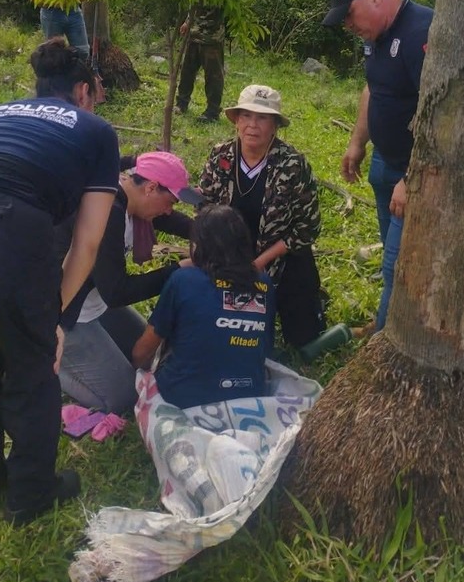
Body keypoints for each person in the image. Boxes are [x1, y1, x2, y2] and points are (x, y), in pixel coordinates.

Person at [0, 38, 119, 525]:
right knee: (34, 371)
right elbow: (87, 243)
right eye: (96, 93)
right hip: (7, 230)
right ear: (82, 90)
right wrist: (51, 316)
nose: (96, 102)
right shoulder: (97, 131)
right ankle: (29, 496)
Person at [323, 0, 464, 335]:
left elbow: (445, 116)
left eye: (349, 14)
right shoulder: (375, 36)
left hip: (417, 170)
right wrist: (356, 141)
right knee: (393, 249)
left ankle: (384, 341)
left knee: (397, 262)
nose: (348, 25)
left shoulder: (423, 33)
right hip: (384, 162)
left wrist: (412, 178)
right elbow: (373, 89)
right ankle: (391, 320)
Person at [57, 151, 201, 415]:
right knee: (123, 399)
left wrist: (210, 233)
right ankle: (37, 363)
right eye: (169, 202)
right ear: (151, 188)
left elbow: (169, 219)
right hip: (64, 312)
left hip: (94, 301)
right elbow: (116, 291)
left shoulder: (131, 197)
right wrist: (176, 270)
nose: (169, 210)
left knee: (149, 358)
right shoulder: (108, 213)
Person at [198, 84, 324, 349]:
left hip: (282, 256)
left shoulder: (292, 164)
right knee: (226, 334)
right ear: (236, 121)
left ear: (275, 125)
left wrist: (261, 262)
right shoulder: (221, 156)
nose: (252, 125)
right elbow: (205, 210)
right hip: (230, 254)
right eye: (246, 116)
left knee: (302, 339)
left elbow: (307, 227)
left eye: (262, 117)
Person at [133, 204, 275, 408]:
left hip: (181, 397)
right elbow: (265, 348)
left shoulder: (183, 280)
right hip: (247, 396)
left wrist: (134, 369)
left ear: (199, 246)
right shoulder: (264, 284)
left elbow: (144, 349)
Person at [175, 5, 225, 122]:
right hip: (193, 35)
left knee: (213, 76)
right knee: (187, 72)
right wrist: (187, 22)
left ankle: (212, 112)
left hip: (212, 38)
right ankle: (181, 104)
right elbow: (194, 5)